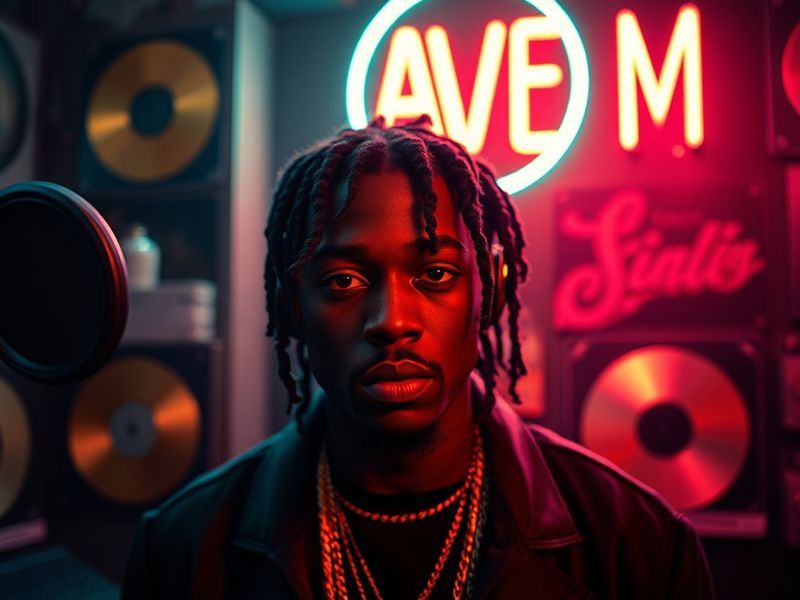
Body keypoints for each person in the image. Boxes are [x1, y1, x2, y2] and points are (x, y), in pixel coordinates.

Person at [121, 117, 713, 599]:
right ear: (292, 306)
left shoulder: (637, 544)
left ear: (491, 291)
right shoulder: (181, 550)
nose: (392, 322)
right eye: (344, 281)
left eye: (434, 274)